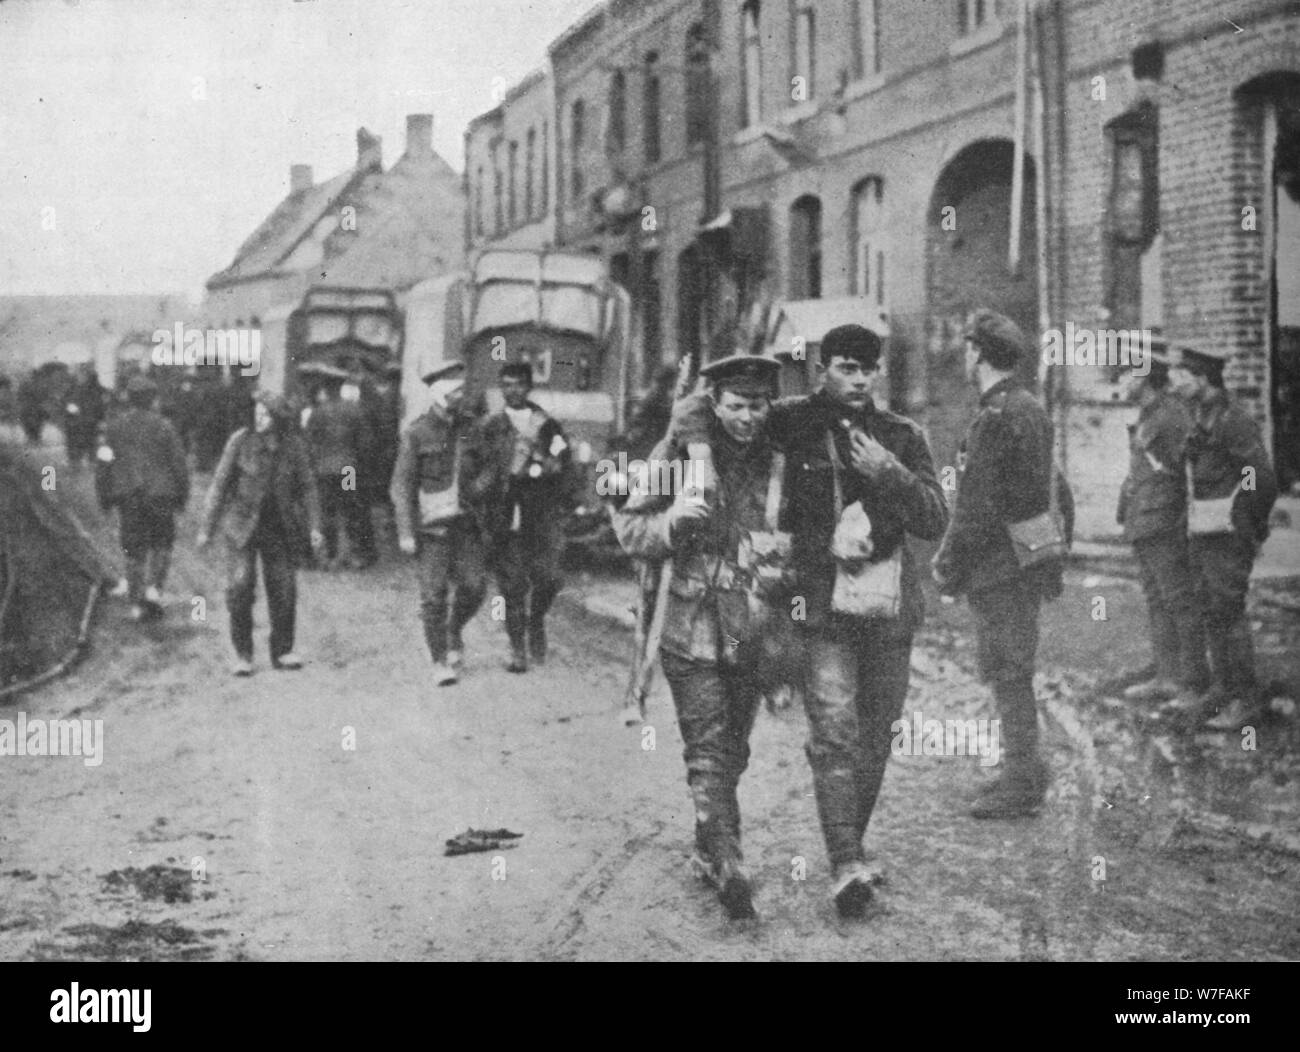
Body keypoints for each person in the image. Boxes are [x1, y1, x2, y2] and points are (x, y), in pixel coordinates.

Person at [663, 327, 950, 919]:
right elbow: (706, 405)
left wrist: (890, 471)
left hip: (888, 610)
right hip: (821, 611)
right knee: (836, 730)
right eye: (847, 368)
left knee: (877, 734)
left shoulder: (901, 435)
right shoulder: (790, 421)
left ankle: (854, 846)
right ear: (823, 369)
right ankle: (845, 863)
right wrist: (694, 455)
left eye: (869, 369)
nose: (860, 380)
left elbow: (934, 518)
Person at [613, 354, 785, 919]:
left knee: (734, 747)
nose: (747, 419)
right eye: (735, 407)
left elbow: (805, 533)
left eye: (757, 406)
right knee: (708, 749)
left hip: (750, 625)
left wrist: (786, 562)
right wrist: (671, 524)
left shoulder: (780, 456)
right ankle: (730, 859)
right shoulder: (679, 452)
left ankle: (708, 843)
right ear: (715, 404)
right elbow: (631, 525)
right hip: (689, 624)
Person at [932, 310, 1073, 820]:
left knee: (1007, 670)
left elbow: (976, 507)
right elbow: (1059, 488)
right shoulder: (1030, 407)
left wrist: (947, 564)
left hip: (999, 567)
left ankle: (1021, 783)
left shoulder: (995, 416)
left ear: (977, 354)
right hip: (1026, 560)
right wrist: (1057, 549)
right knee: (1013, 667)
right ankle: (1023, 770)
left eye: (968, 349)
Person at [1166, 344, 1278, 731]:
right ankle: (1223, 688)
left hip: (1228, 534)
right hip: (1205, 532)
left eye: (1181, 375)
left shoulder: (1232, 420)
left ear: (1202, 379)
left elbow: (1258, 476)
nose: (1173, 382)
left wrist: (1248, 523)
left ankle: (1247, 700)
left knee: (1229, 612)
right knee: (1212, 610)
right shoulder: (1202, 416)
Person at [198, 391, 323, 676]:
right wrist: (207, 527)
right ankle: (243, 654)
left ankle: (283, 651)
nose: (259, 417)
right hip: (241, 527)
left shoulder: (293, 447)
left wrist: (315, 526)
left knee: (284, 589)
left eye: (265, 414)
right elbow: (219, 485)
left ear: (278, 420)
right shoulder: (240, 441)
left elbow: (308, 488)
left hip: (278, 527)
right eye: (257, 411)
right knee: (240, 588)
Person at [1116, 340, 1210, 706]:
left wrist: (1186, 520)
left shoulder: (1171, 416)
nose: (1122, 379)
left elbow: (1188, 471)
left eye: (1127, 372)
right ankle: (1166, 675)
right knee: (1157, 599)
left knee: (1179, 600)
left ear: (1144, 377)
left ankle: (1193, 682)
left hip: (1165, 522)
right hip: (1145, 519)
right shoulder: (1148, 415)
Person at [472, 361, 575, 673]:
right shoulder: (490, 426)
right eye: (506, 384)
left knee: (551, 578)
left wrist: (552, 466)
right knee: (512, 586)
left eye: (518, 384)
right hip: (504, 515)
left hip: (541, 512)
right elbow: (477, 466)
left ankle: (537, 620)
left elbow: (562, 454)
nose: (511, 390)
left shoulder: (547, 425)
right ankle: (518, 649)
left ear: (529, 387)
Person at [390, 362, 488, 687]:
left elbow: (490, 466)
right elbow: (401, 486)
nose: (462, 395)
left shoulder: (471, 428)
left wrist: (481, 487)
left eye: (462, 389)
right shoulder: (417, 433)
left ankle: (453, 629)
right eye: (456, 390)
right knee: (433, 596)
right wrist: (405, 531)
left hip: (466, 525)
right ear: (440, 394)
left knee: (474, 588)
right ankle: (439, 660)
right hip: (432, 529)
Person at [94, 374, 190, 621]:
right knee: (162, 544)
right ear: (152, 399)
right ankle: (153, 591)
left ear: (129, 399)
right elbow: (179, 463)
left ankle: (136, 603)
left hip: (129, 497)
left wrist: (104, 494)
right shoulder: (165, 427)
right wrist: (182, 494)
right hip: (161, 495)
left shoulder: (113, 428)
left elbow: (104, 462)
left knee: (134, 549)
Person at [302, 362, 373, 570]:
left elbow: (308, 442)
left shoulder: (317, 412)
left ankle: (330, 556)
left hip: (324, 470)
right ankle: (355, 555)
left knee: (327, 511)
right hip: (348, 470)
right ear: (341, 386)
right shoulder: (354, 410)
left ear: (325, 388)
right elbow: (365, 443)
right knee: (351, 508)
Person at [63, 362, 107, 467]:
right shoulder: (74, 389)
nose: (82, 376)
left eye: (84, 374)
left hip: (84, 422)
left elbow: (101, 406)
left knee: (87, 445)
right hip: (82, 422)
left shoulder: (93, 390)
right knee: (85, 445)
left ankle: (81, 461)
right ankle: (79, 461)